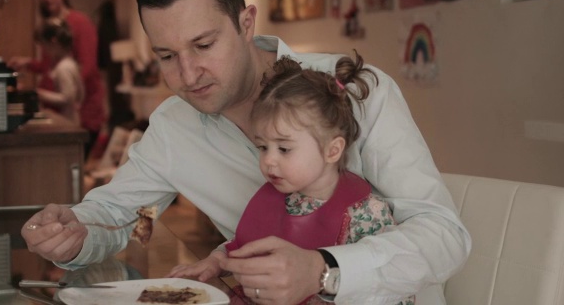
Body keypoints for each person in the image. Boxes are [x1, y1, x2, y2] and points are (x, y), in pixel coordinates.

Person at [21, 0, 470, 304]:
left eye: (203, 44)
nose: (188, 74)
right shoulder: (173, 127)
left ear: (246, 22)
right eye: (166, 57)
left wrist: (323, 270)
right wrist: (74, 231)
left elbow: (443, 236)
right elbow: (119, 217)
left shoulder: (354, 90)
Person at [167, 55, 415, 305]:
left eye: (284, 149)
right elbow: (246, 243)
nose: (269, 161)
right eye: (263, 147)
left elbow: (393, 287)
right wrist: (219, 261)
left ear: (332, 150)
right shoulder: (278, 199)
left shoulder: (365, 214)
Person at [8, 0, 106, 156]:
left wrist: (62, 93)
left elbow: (88, 67)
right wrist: (28, 63)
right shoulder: (50, 26)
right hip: (61, 111)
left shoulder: (79, 22)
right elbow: (48, 67)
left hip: (81, 113)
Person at [33, 20, 84, 125]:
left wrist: (41, 94)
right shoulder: (69, 63)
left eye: (44, 45)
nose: (44, 50)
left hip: (65, 122)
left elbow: (67, 98)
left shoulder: (63, 68)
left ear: (53, 42)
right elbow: (81, 92)